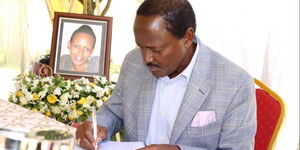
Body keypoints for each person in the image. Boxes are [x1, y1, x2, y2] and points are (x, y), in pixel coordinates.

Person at [76, 0, 257, 149]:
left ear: (187, 37)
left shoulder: (235, 84)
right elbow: (114, 110)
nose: (146, 58)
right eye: (141, 46)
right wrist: (97, 125)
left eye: (156, 49)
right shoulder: (133, 62)